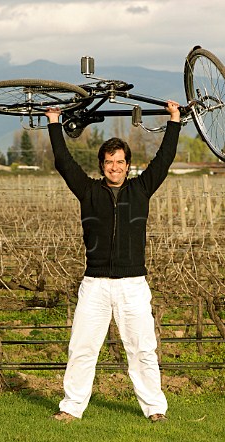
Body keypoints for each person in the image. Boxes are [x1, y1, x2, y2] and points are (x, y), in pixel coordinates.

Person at [45, 101, 181, 423]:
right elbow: (64, 162)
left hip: (133, 285)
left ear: (128, 165)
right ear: (102, 165)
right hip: (95, 285)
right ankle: (70, 409)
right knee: (82, 349)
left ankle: (155, 410)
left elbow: (164, 161)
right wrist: (54, 121)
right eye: (109, 162)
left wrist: (174, 120)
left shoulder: (141, 189)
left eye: (120, 162)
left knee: (142, 351)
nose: (115, 167)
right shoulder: (88, 191)